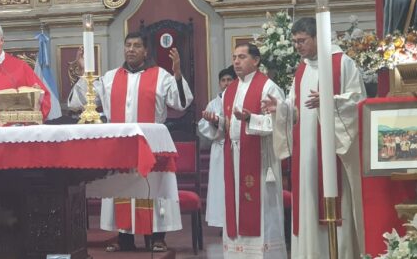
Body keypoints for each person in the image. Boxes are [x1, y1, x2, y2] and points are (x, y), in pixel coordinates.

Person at [68, 32, 193, 252]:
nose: (131, 49)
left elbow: (181, 103)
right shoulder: (110, 77)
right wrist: (83, 73)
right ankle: (124, 237)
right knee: (122, 187)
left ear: (146, 51)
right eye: (128, 45)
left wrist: (177, 74)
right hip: (121, 146)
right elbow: (80, 102)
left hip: (151, 143)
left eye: (137, 45)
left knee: (152, 187)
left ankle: (157, 237)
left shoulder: (161, 76)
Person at [262, 17, 366, 259]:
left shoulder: (342, 63)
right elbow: (295, 108)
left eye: (302, 41)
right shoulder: (303, 68)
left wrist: (330, 101)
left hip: (333, 152)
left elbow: (358, 102)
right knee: (308, 202)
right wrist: (280, 108)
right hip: (307, 155)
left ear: (318, 37)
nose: (298, 46)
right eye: (295, 42)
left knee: (334, 202)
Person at [207, 44, 285, 258]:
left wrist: (251, 118)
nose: (236, 62)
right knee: (235, 207)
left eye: (242, 57)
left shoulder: (268, 87)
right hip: (233, 156)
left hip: (259, 157)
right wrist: (217, 121)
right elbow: (228, 126)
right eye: (234, 57)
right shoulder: (230, 90)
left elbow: (281, 123)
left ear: (256, 60)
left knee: (261, 209)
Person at [197, 66, 237, 232]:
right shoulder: (213, 104)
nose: (226, 83)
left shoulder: (240, 99)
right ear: (219, 83)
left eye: (229, 80)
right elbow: (203, 126)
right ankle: (222, 223)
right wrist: (213, 123)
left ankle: (238, 221)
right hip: (220, 149)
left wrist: (221, 122)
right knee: (221, 187)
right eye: (223, 80)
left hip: (237, 147)